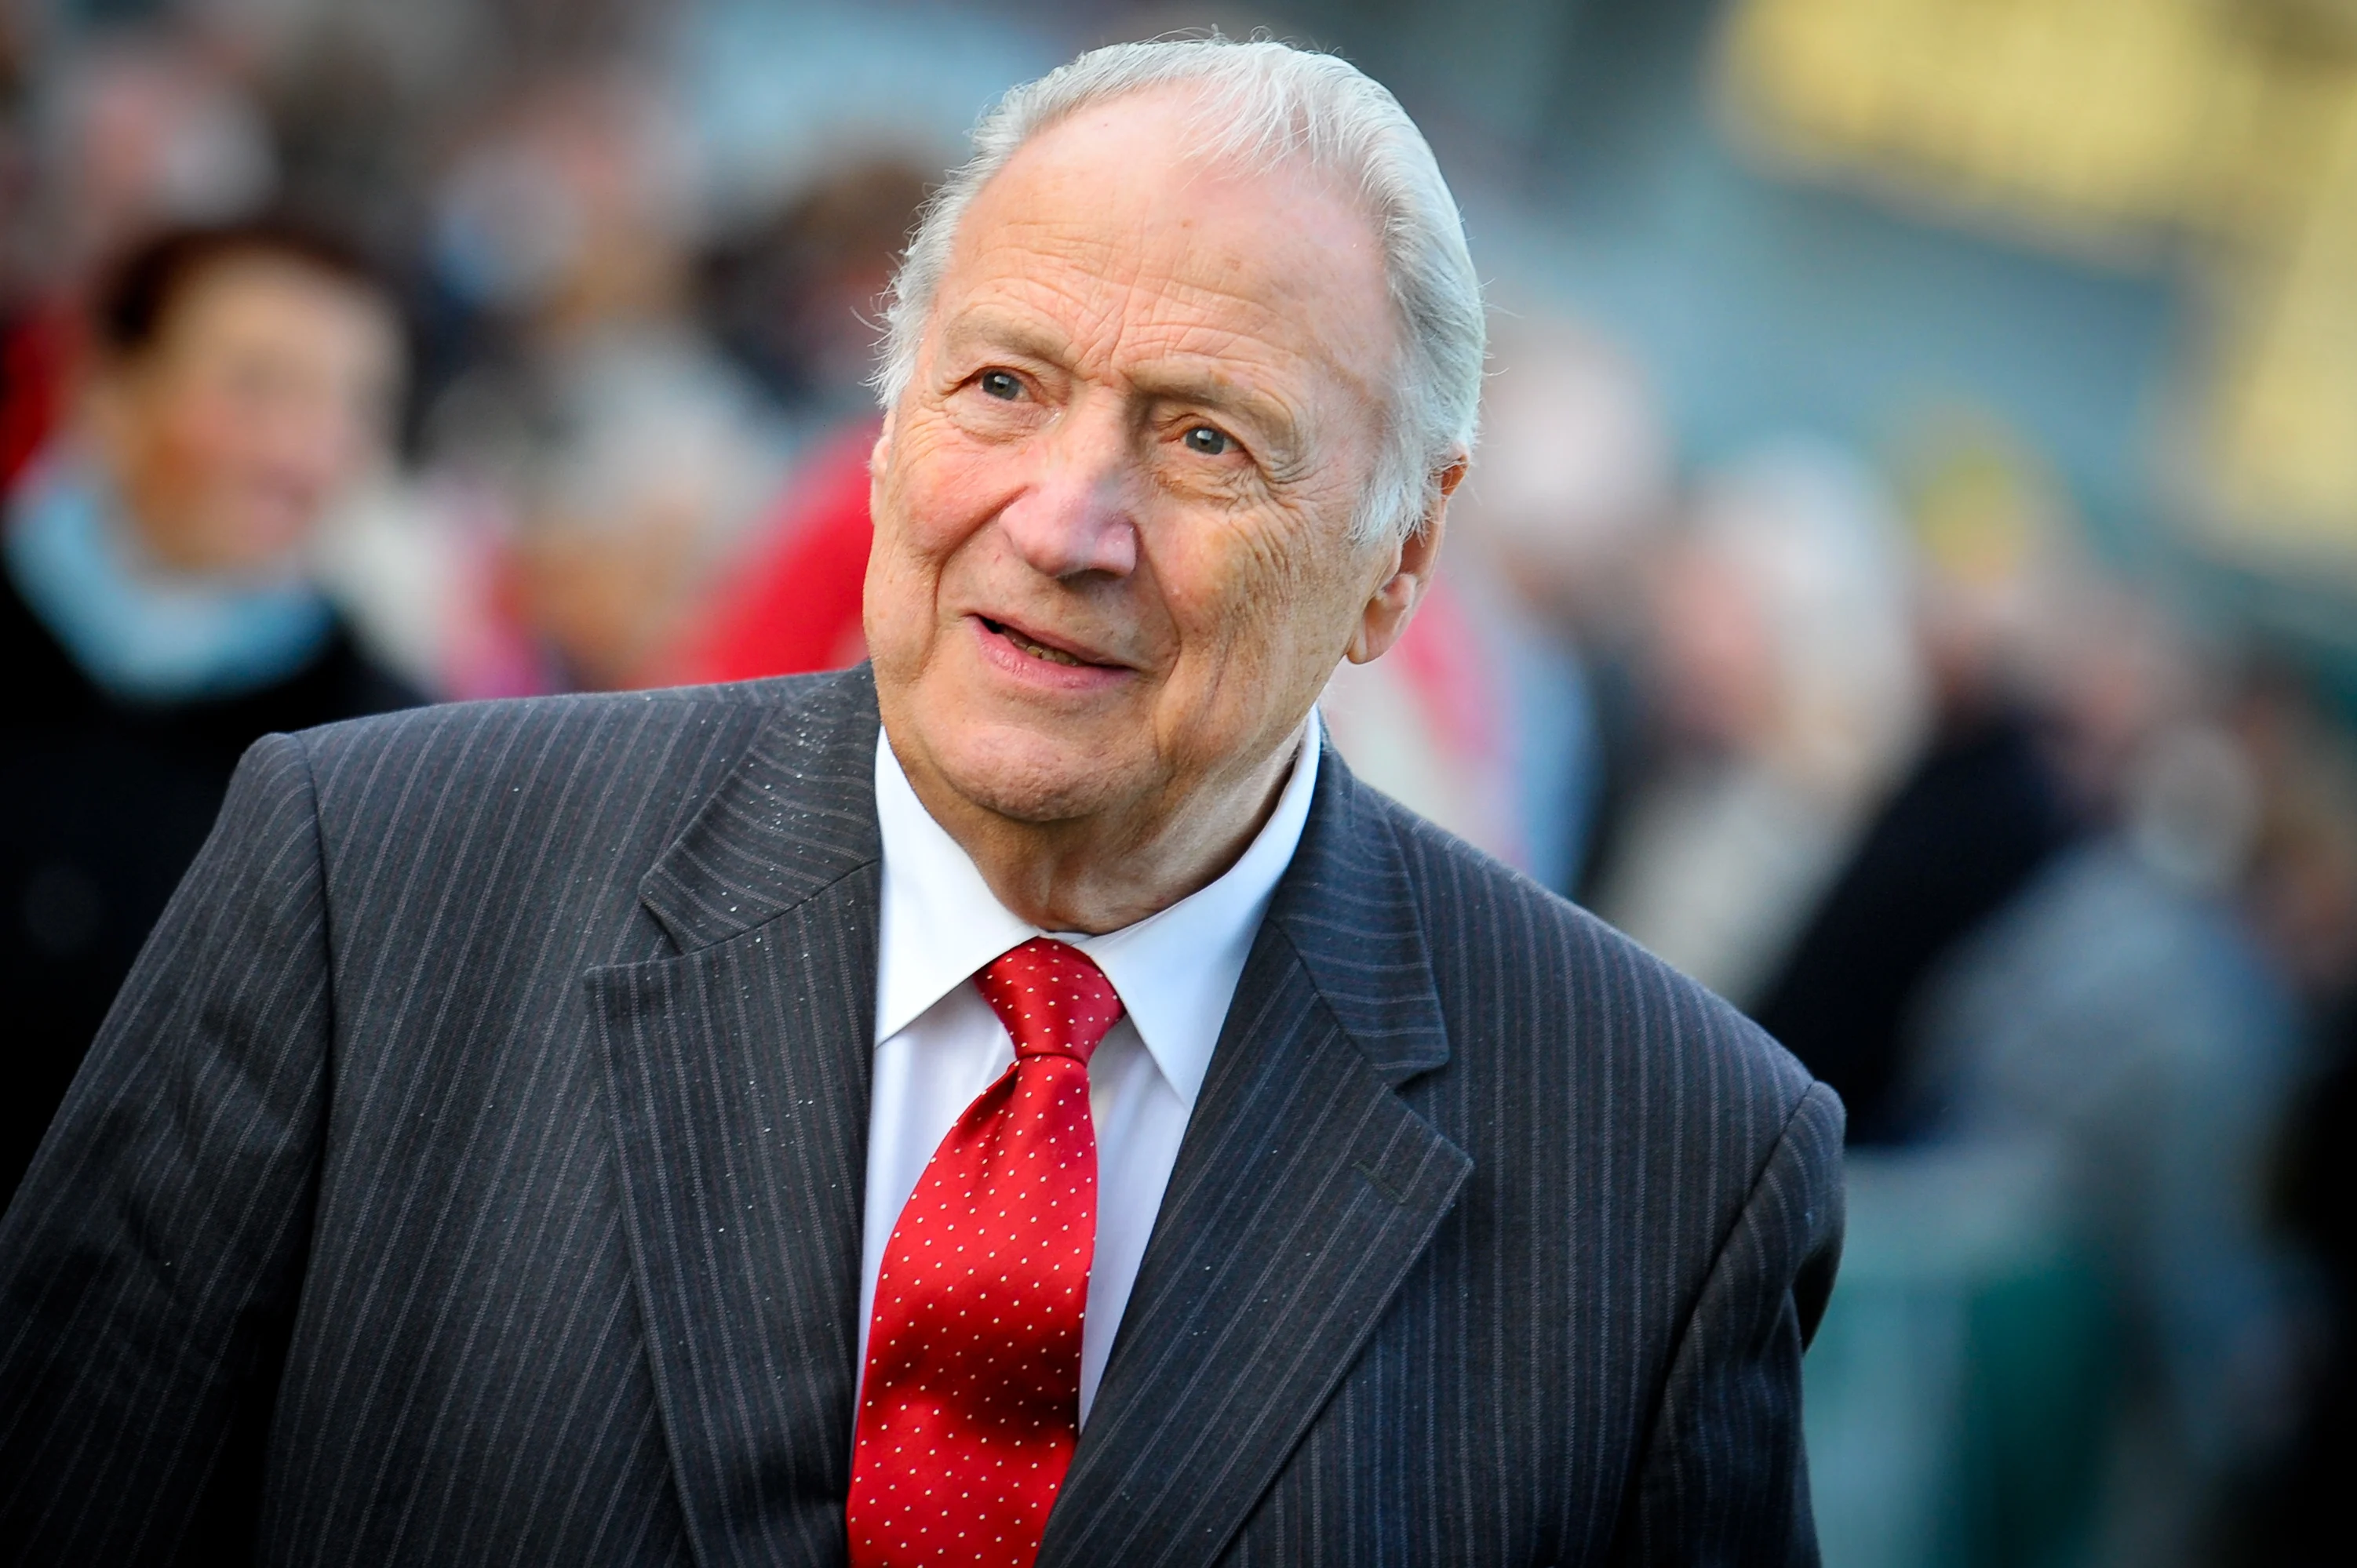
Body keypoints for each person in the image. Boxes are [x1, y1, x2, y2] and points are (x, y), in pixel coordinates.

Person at [0, 39, 1842, 1566]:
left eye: (1210, 437)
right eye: (1002, 384)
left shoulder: (1672, 1167)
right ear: (883, 429)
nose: (1066, 521)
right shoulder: (371, 883)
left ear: (1400, 556)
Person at [0, 218, 418, 1205]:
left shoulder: (384, 757)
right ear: (105, 390)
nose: (304, 453)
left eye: (354, 405)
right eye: (257, 388)